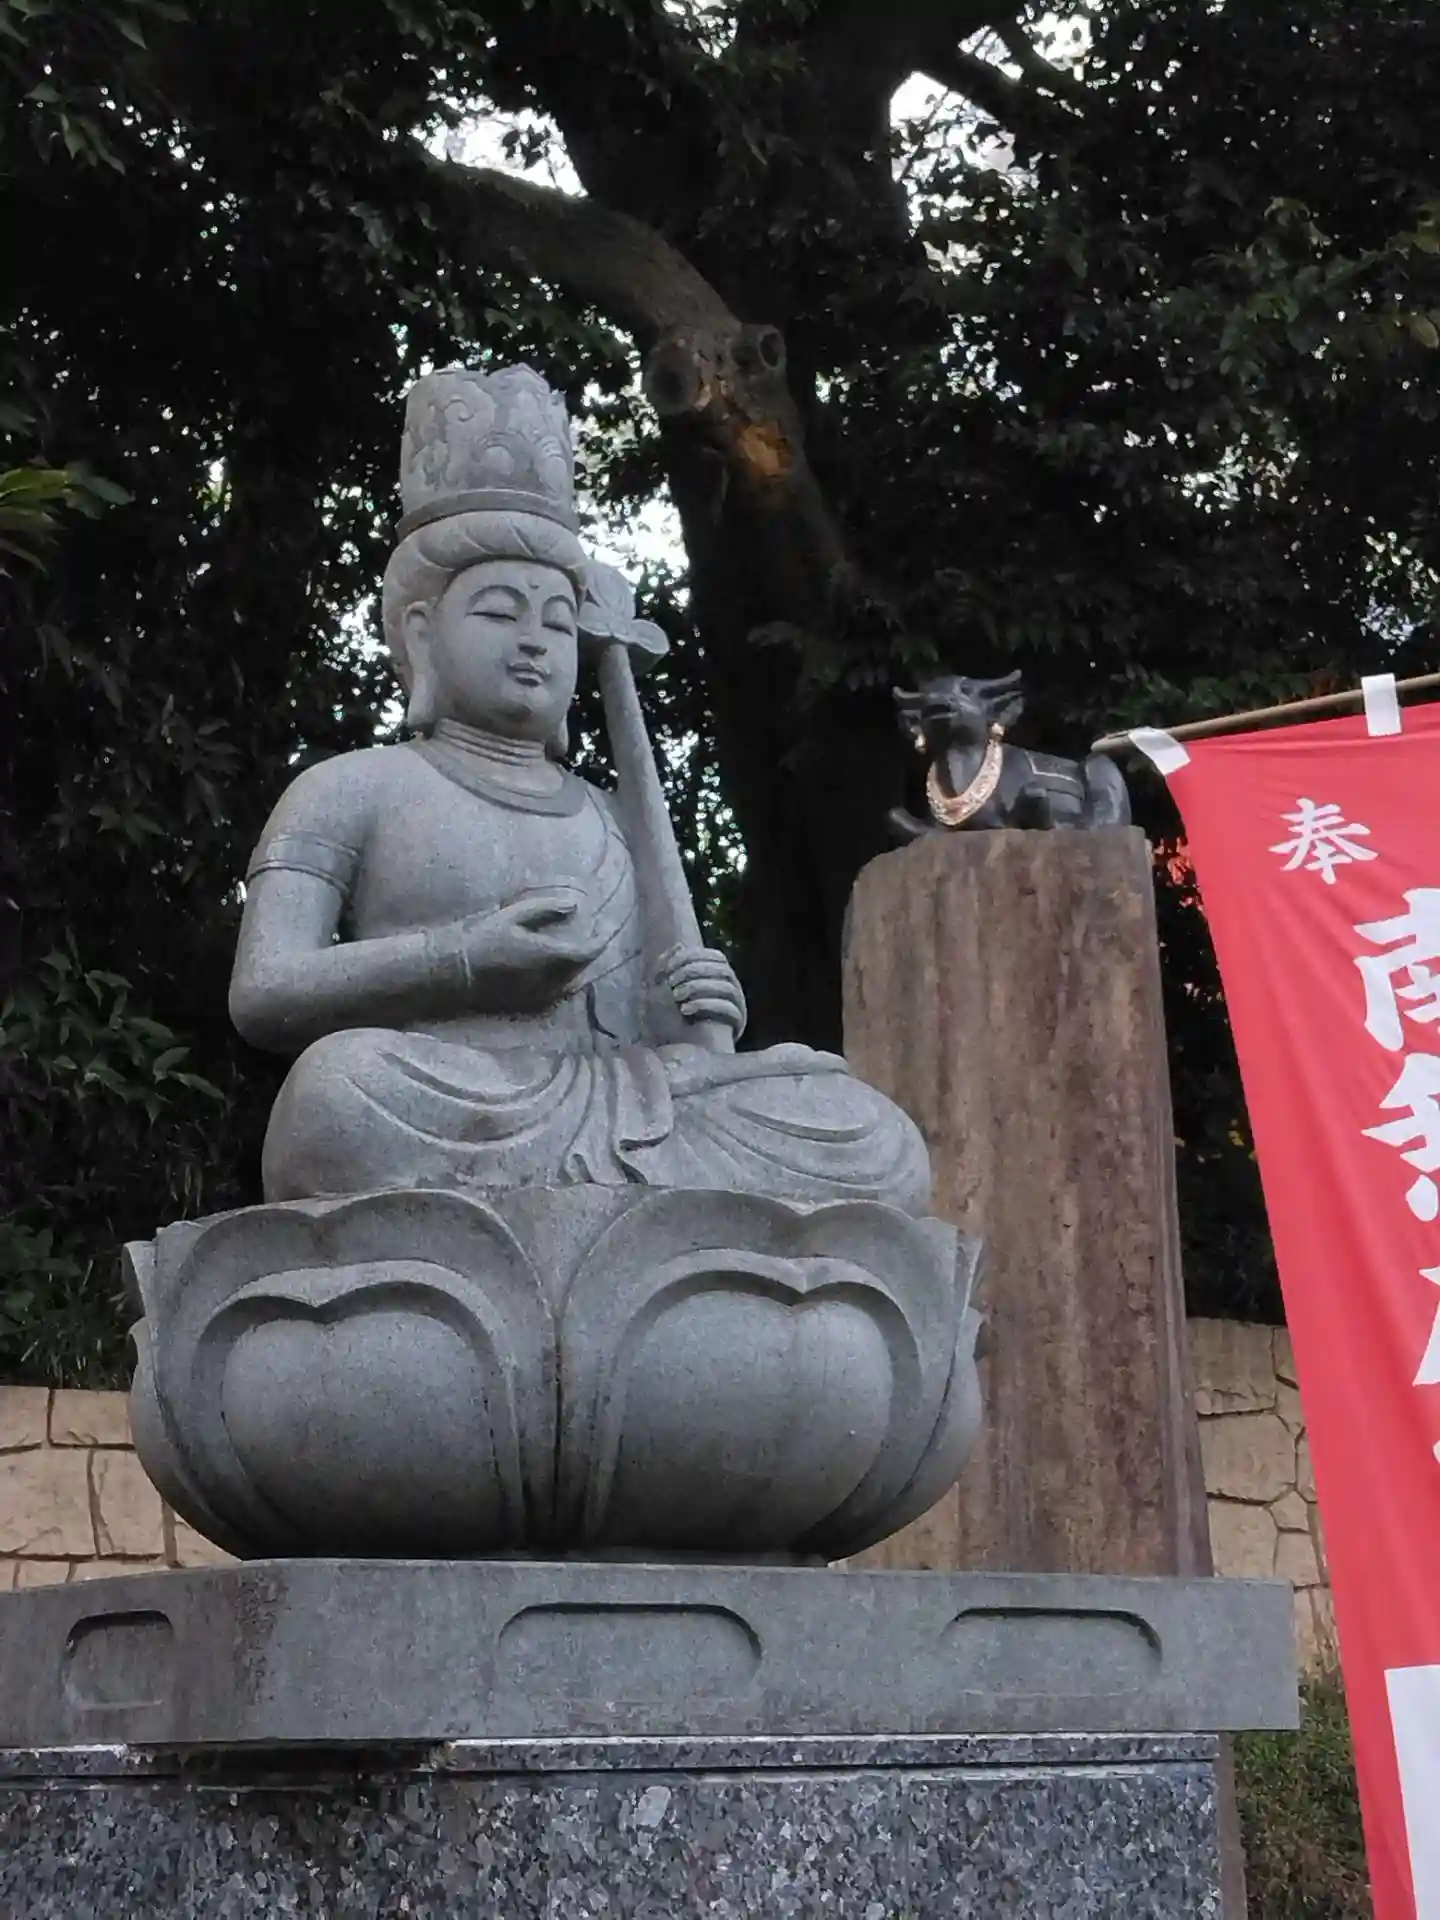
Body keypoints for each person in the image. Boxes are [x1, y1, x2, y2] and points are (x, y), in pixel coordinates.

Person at [228, 366, 930, 1213]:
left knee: (869, 1130)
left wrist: (689, 1008)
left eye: (557, 623)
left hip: (628, 1097)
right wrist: (465, 960)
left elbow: (646, 1026)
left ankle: (619, 1209)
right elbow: (264, 988)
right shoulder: (351, 787)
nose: (534, 642)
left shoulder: (610, 815)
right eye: (499, 613)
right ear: (421, 633)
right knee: (334, 1093)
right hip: (453, 1095)